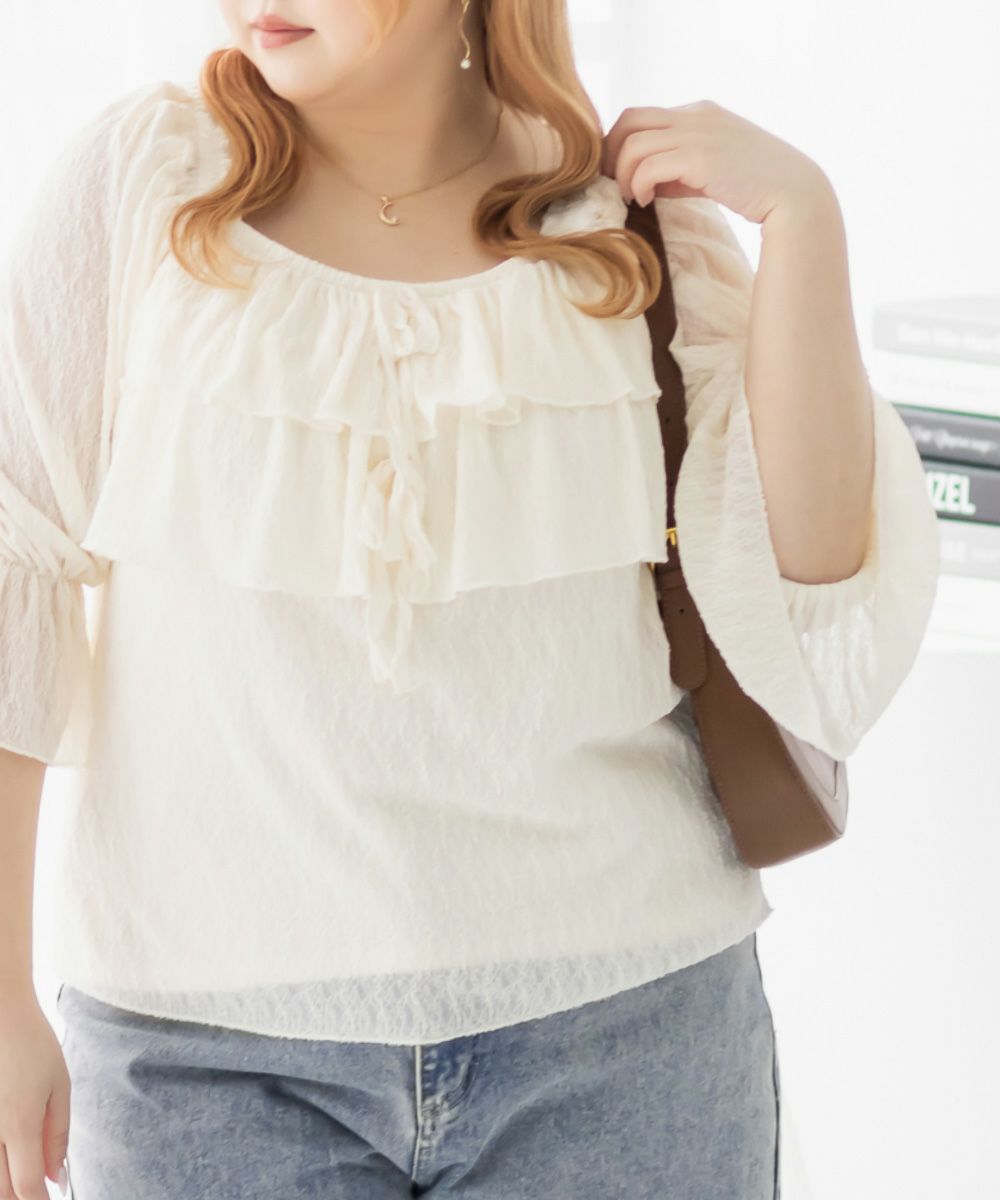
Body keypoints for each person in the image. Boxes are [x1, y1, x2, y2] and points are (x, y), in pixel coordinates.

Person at [0, 1, 940, 1197]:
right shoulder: (148, 182)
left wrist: (805, 218)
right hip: (203, 1053)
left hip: (628, 1032)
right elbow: (16, 558)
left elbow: (815, 590)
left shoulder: (627, 221)